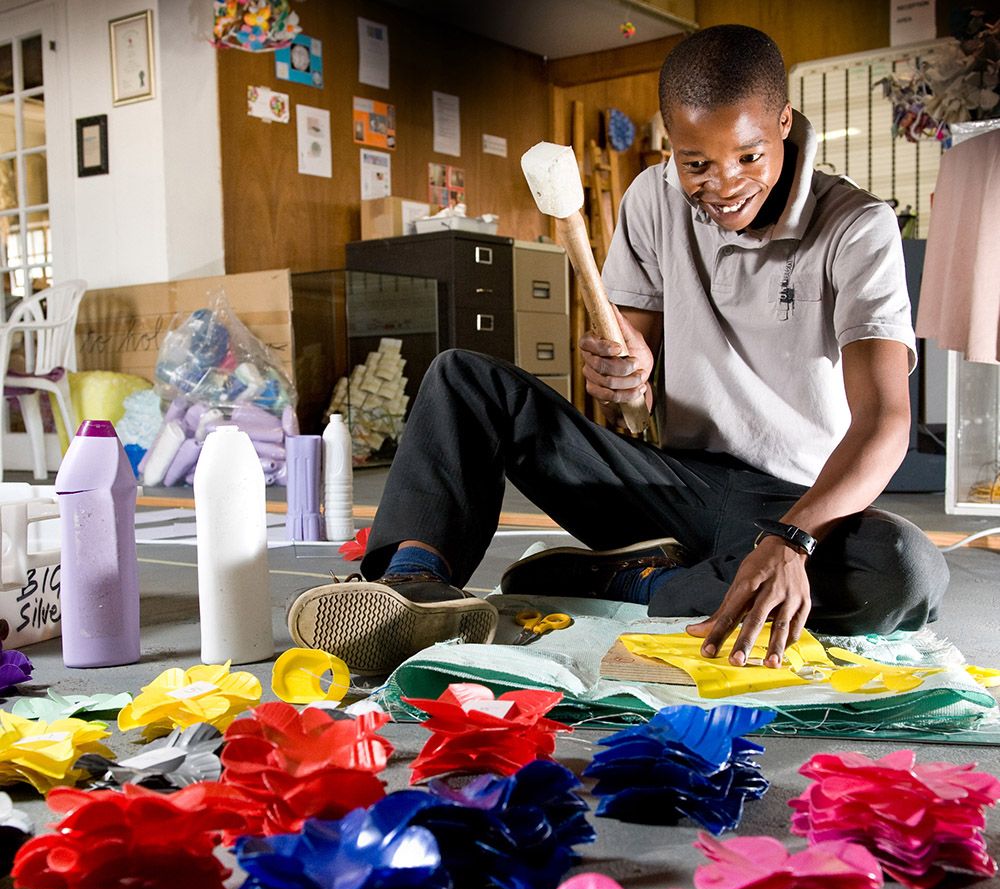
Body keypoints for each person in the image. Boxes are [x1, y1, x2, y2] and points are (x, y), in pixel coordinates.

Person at [287, 24, 948, 684]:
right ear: (670, 142)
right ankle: (412, 587)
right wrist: (621, 369)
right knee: (462, 378)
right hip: (668, 484)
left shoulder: (858, 226)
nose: (724, 184)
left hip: (795, 499)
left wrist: (792, 538)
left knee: (903, 570)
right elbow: (629, 375)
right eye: (697, 164)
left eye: (749, 157)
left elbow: (885, 422)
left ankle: (631, 585)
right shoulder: (650, 199)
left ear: (782, 122)